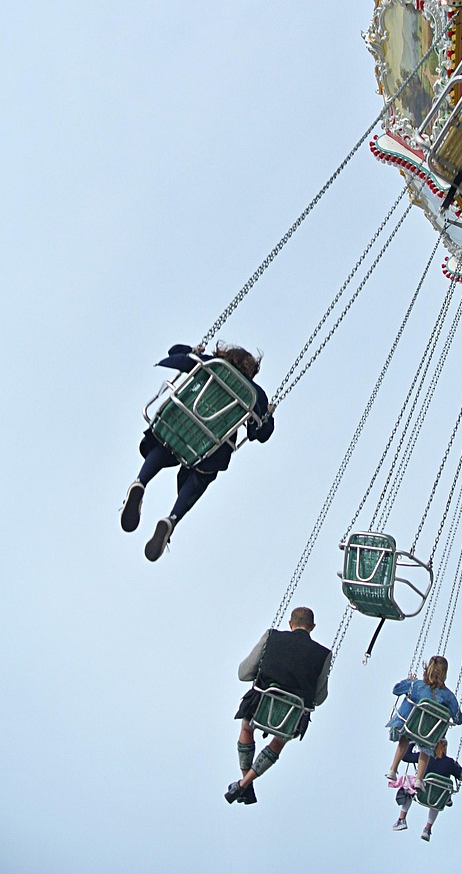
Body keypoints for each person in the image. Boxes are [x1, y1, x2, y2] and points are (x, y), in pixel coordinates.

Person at [120, 342, 274, 561]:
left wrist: (195, 351)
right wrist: (267, 415)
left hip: (177, 424)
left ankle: (140, 482)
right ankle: (172, 519)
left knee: (164, 445)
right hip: (209, 447)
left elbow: (174, 352)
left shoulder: (210, 362)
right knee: (200, 477)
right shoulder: (254, 394)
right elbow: (261, 433)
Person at [225, 606, 331, 804]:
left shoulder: (271, 636)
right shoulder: (324, 654)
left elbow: (243, 673)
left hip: (261, 702)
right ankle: (244, 785)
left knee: (247, 728)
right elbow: (320, 697)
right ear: (312, 627)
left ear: (290, 624)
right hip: (291, 714)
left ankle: (244, 785)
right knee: (279, 740)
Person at [386, 657, 462, 789]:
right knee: (427, 746)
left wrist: (409, 681)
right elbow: (458, 719)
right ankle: (419, 780)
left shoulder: (416, 685)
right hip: (430, 733)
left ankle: (393, 769)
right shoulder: (448, 696)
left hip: (411, 726)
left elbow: (396, 689)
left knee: (405, 737)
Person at [391, 738, 462, 841]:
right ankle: (427, 829)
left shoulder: (424, 756)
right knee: (439, 793)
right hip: (436, 799)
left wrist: (413, 742)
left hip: (421, 792)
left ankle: (402, 819)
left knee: (407, 782)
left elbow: (405, 756)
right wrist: (456, 764)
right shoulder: (450, 762)